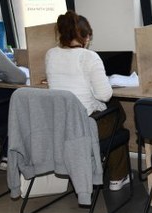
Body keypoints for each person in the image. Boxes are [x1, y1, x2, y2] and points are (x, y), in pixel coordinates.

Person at [45, 10, 130, 191]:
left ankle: (95, 163)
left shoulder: (51, 54)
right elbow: (104, 95)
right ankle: (118, 177)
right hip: (87, 126)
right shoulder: (89, 57)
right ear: (86, 36)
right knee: (118, 114)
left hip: (62, 126)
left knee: (114, 113)